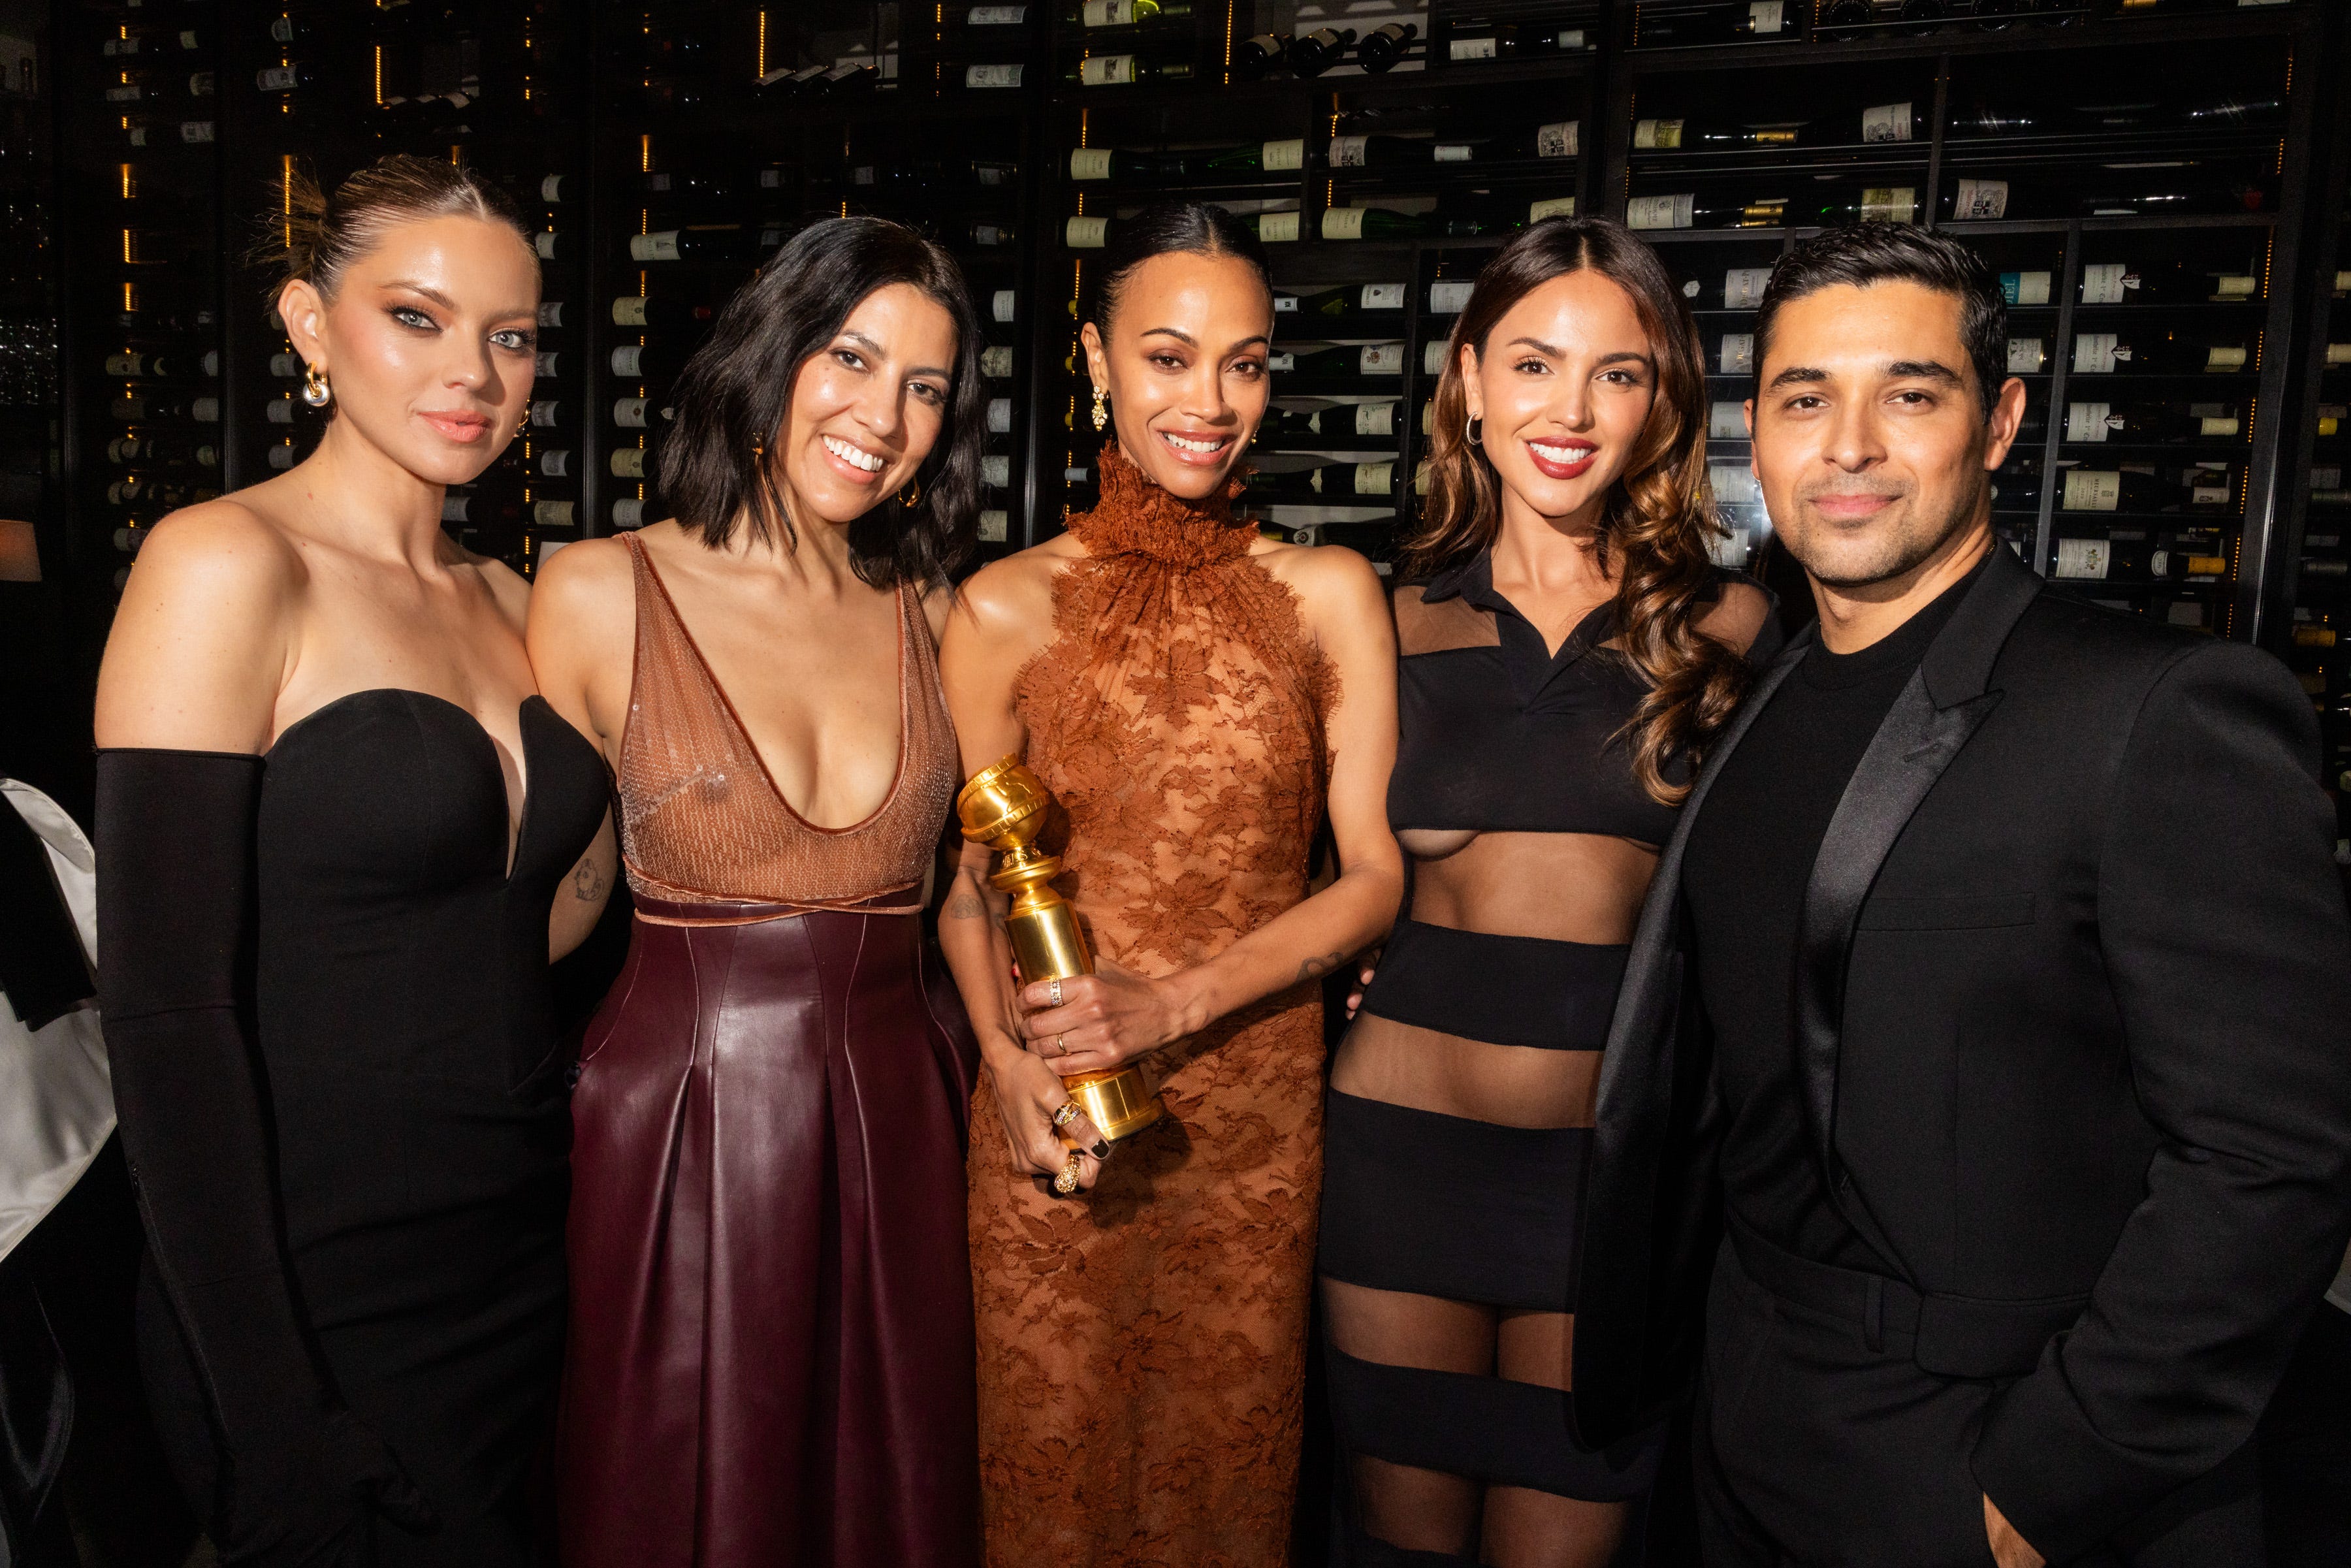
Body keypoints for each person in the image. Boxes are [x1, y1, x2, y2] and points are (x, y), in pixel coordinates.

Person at [1569, 222, 2351, 1567]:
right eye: (1809, 398)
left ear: (2000, 424)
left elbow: (2272, 1160)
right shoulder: (1765, 690)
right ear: (1761, 431)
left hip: (1987, 1455)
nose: (1852, 444)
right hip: (1746, 1417)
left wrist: (2042, 1486)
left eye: (1910, 394)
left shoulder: (2155, 711)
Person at [92, 155, 609, 1565]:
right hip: (304, 1283)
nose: (475, 374)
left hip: (515, 1256)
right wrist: (272, 1410)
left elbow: (545, 920)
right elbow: (161, 1014)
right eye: (418, 318)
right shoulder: (223, 563)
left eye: (511, 337)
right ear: (310, 326)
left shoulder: (522, 600)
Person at [938, 200, 1401, 1565]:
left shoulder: (1330, 591)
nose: (1210, 401)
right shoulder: (1000, 605)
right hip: (1057, 1116)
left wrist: (1176, 1003)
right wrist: (1006, 1063)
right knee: (1053, 1486)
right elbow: (969, 888)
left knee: (1222, 1496)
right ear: (1093, 358)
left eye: (1245, 363)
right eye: (1168, 356)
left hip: (1254, 1123)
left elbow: (1370, 875)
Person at [530, 217, 985, 1568]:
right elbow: (555, 896)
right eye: (853, 356)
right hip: (673, 1123)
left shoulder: (938, 612)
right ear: (773, 349)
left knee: (883, 1500)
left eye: (926, 386)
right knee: (678, 1497)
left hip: (907, 1113)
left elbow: (989, 881)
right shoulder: (602, 587)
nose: (883, 414)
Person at [1319, 216, 1773, 1568]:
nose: (1569, 410)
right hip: (1397, 1171)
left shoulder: (1732, 630)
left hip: (1606, 1192)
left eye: (1617, 373)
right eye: (1532, 363)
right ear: (1466, 378)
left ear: (1663, 401)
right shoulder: (1380, 613)